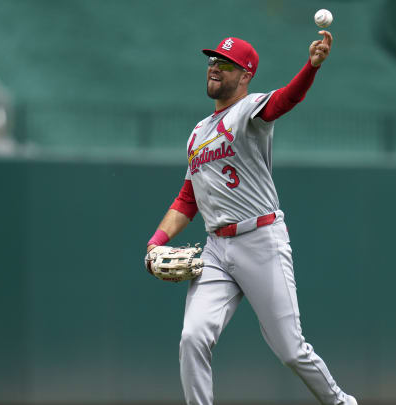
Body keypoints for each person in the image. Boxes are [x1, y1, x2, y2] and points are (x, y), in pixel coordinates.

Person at [145, 32, 357, 405]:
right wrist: (155, 243)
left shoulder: (250, 111)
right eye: (212, 61)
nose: (214, 67)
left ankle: (341, 402)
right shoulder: (198, 133)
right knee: (193, 337)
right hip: (215, 249)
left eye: (224, 64)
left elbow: (285, 100)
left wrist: (312, 66)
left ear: (245, 75)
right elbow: (187, 199)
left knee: (291, 349)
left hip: (260, 239)